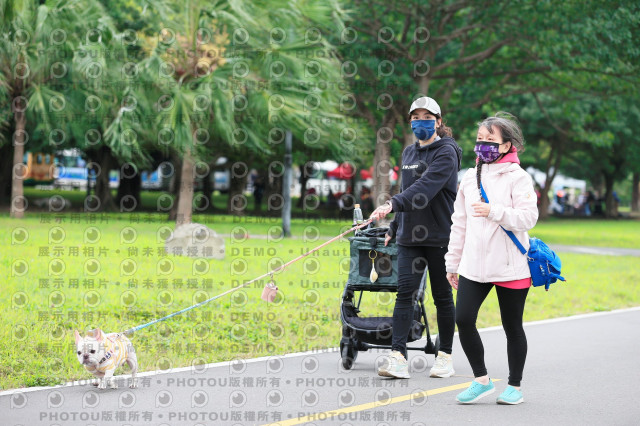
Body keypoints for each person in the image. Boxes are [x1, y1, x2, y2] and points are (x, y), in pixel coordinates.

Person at [445, 112, 538, 405]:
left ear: (507, 145)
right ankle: (481, 380)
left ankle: (514, 386)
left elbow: (529, 217)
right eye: (479, 139)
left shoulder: (519, 178)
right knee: (463, 319)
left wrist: (494, 211)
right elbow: (459, 223)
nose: (482, 145)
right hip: (474, 266)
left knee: (512, 326)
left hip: (511, 268)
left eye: (490, 140)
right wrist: (452, 263)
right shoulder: (469, 177)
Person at [370, 96, 462, 379]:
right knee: (405, 295)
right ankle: (398, 356)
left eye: (427, 117)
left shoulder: (447, 152)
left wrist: (391, 204)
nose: (421, 122)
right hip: (410, 236)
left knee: (442, 297)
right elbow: (406, 189)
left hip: (440, 236)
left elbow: (424, 188)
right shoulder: (409, 153)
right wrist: (394, 226)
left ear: (438, 121)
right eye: (416, 117)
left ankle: (445, 356)